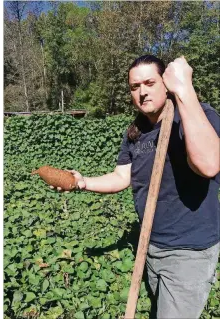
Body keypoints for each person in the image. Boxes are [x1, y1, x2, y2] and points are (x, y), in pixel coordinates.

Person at [63, 55, 220, 318]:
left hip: (188, 251)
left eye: (149, 82)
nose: (142, 92)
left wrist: (185, 90)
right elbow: (122, 176)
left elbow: (209, 165)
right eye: (135, 86)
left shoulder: (196, 115)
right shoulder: (136, 131)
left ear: (166, 83)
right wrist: (82, 182)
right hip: (151, 247)